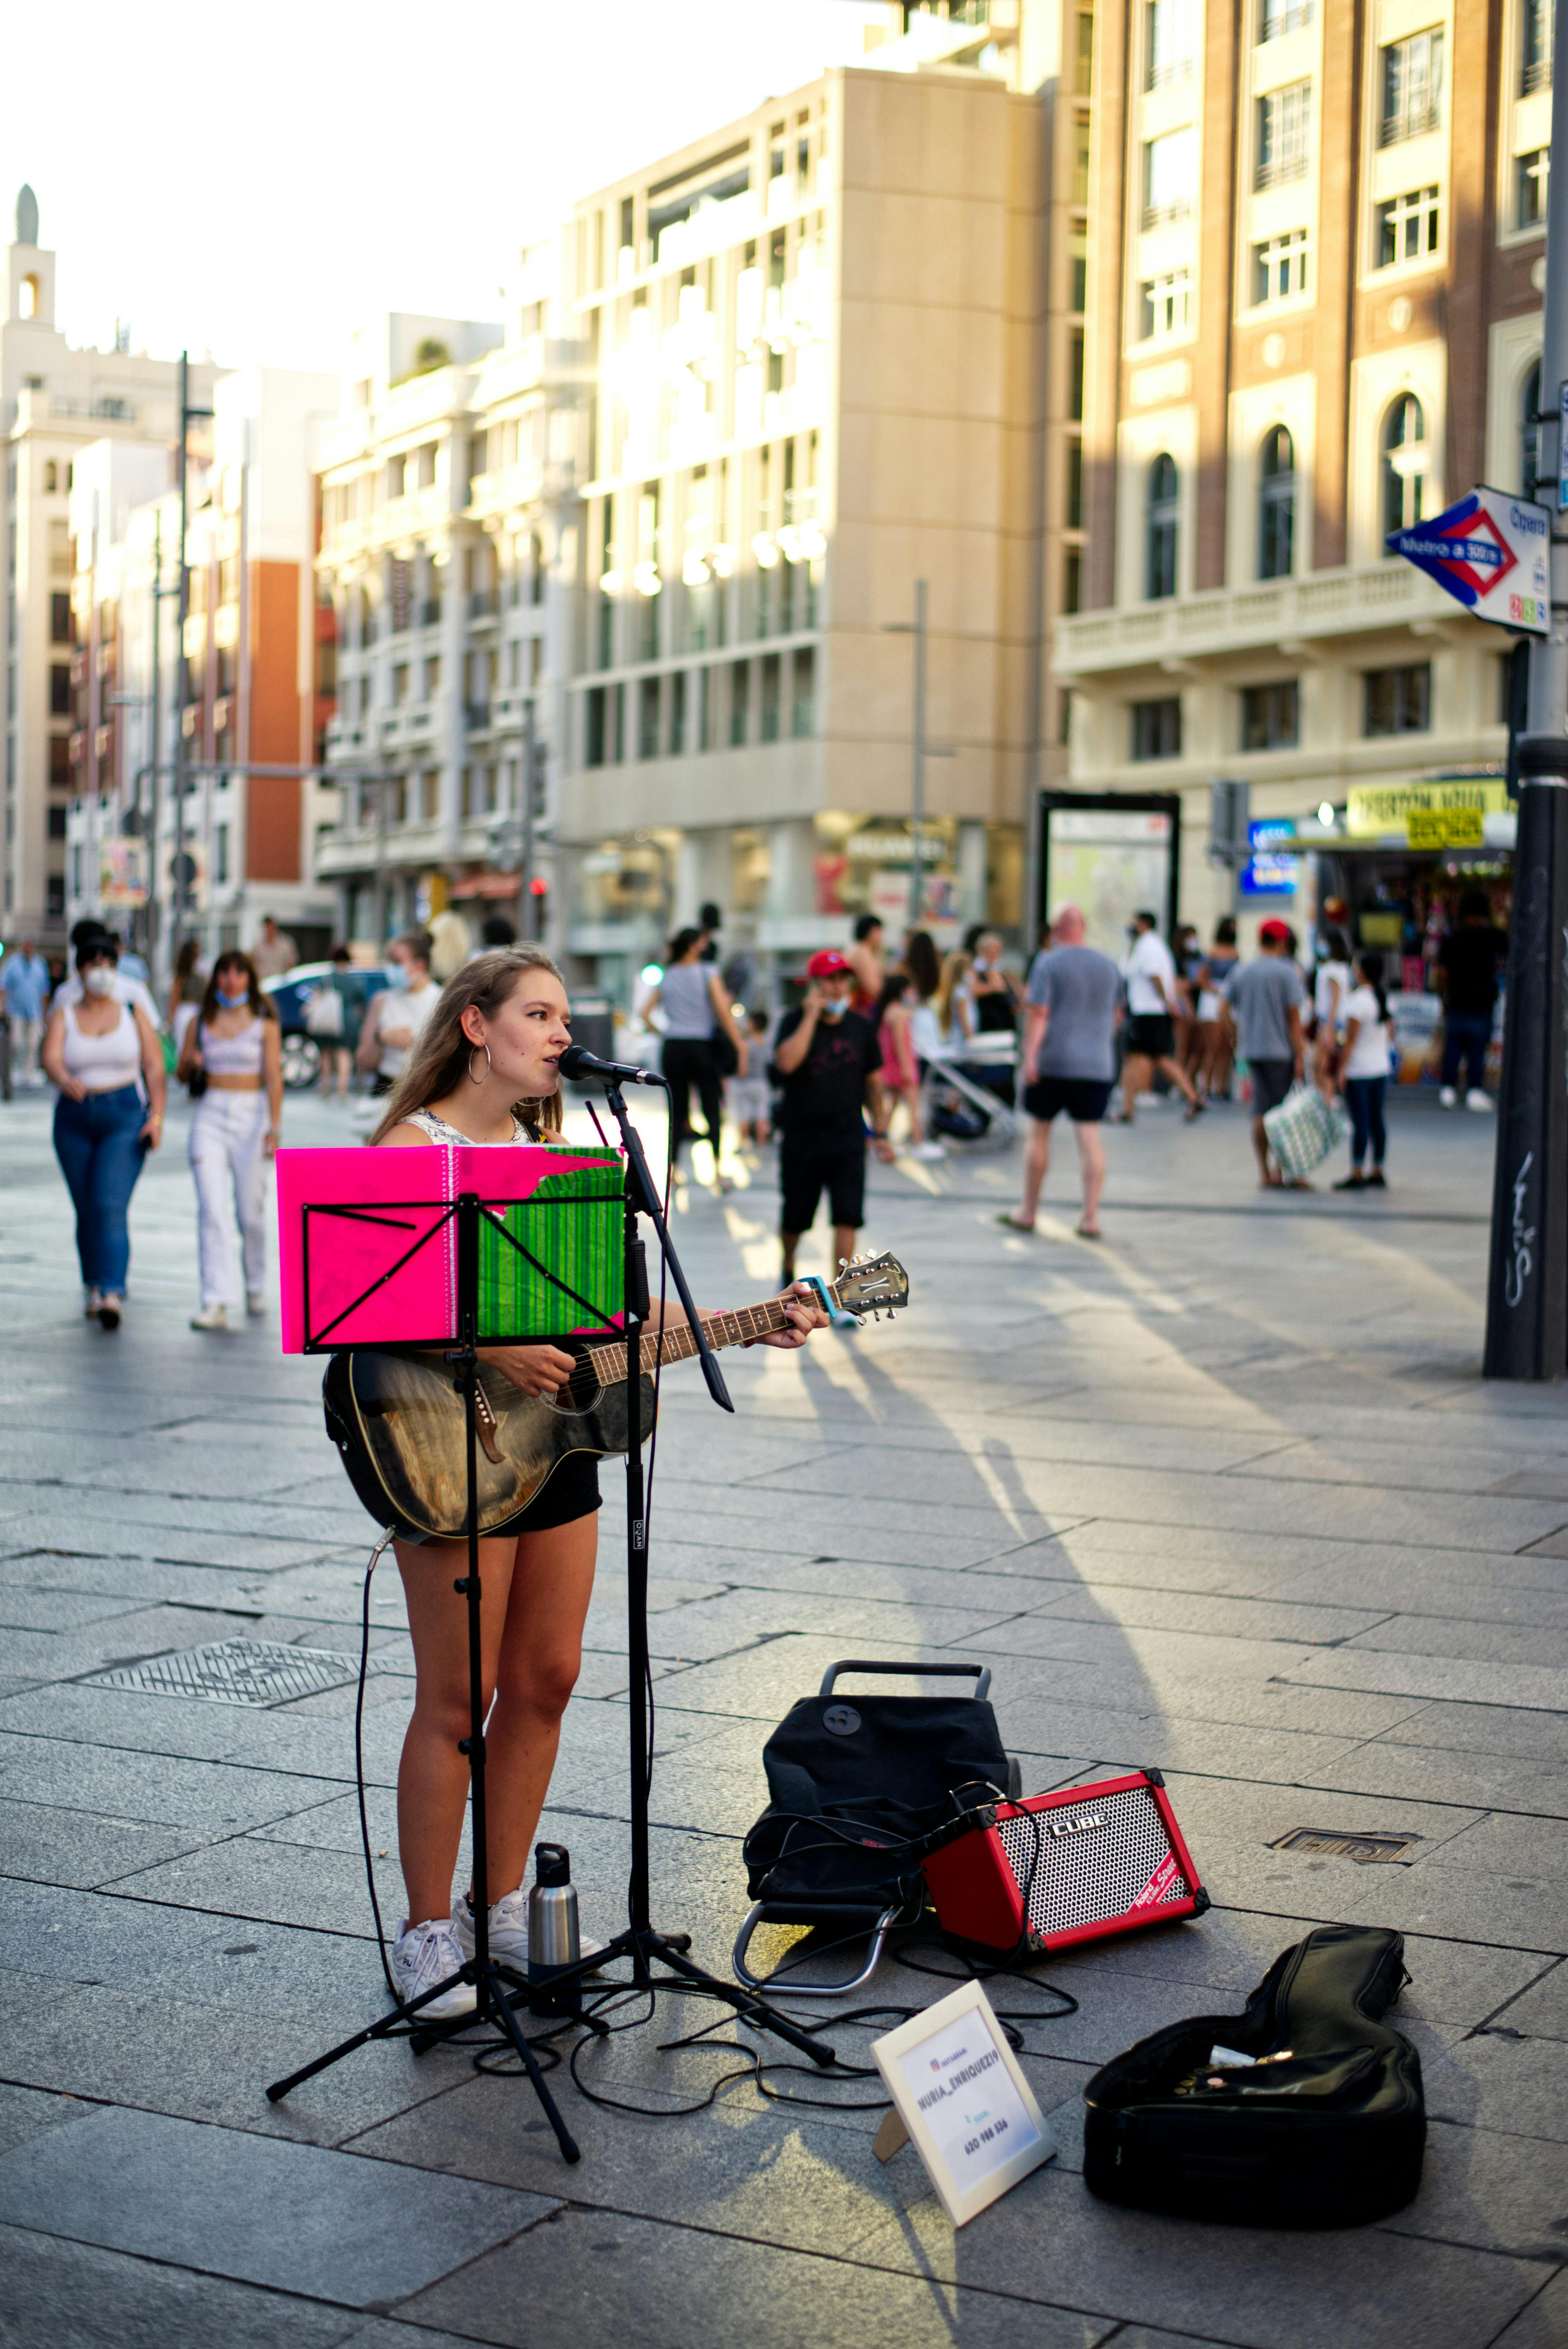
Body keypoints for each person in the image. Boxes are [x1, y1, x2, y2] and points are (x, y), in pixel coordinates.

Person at [362, 946, 827, 2014]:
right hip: (443, 1443)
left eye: (565, 1016)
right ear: (475, 1026)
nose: (561, 1033)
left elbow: (608, 1329)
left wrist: (741, 1324)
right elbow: (368, 1307)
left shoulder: (561, 1146)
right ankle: (428, 1930)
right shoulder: (412, 1145)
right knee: (456, 1694)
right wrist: (484, 1352)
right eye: (538, 1013)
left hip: (553, 1449)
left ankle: (501, 1900)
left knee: (548, 1677)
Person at [40, 932, 166, 1329]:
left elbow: (155, 1065)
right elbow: (50, 1055)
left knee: (109, 1203)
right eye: (93, 964)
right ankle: (93, 1284)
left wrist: (157, 1118)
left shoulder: (131, 1008)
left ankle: (113, 1290)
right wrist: (63, 1078)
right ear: (80, 970)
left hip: (124, 1115)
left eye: (108, 964)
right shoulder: (65, 1010)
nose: (101, 972)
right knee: (86, 1207)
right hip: (75, 1118)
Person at [773, 948, 895, 1296]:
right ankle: (787, 1266)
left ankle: (841, 1294)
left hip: (848, 1139)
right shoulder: (794, 1021)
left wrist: (881, 1130)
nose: (839, 986)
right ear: (815, 984)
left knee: (847, 1216)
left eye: (844, 979)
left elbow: (874, 1082)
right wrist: (811, 1016)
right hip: (802, 1139)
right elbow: (786, 1064)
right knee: (795, 1218)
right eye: (830, 979)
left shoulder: (860, 1026)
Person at [998, 904, 1120, 1240]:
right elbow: (1117, 1014)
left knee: (1039, 1133)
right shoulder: (1108, 966)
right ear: (1084, 927)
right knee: (1090, 1139)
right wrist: (1098, 1044)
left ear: (1055, 930)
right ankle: (1090, 1218)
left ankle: (1029, 1211)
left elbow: (1038, 1013)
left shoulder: (1048, 963)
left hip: (1054, 1062)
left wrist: (1031, 1057)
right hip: (1096, 1065)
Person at [178, 950, 284, 1331]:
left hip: (251, 1115)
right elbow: (180, 1071)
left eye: (239, 972)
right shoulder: (201, 1020)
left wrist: (274, 1126)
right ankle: (215, 1298)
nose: (231, 979)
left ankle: (255, 1283)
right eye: (224, 972)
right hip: (211, 1113)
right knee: (211, 1209)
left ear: (249, 978)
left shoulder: (264, 1024)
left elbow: (274, 1077)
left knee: (249, 1213)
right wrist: (190, 1061)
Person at [643, 925, 748, 1189]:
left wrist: (666, 1033)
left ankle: (673, 1171)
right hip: (702, 1047)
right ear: (693, 946)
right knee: (711, 1109)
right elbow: (724, 1014)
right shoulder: (707, 972)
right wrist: (741, 1046)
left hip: (674, 1047)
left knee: (677, 1112)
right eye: (701, 943)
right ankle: (717, 1171)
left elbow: (645, 1013)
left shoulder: (667, 974)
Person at [1222, 918, 1308, 1188]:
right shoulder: (1287, 972)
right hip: (1281, 1052)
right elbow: (1294, 1018)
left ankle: (1263, 1172)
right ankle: (1280, 1170)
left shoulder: (1243, 970)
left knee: (1260, 1110)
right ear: (1282, 942)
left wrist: (1235, 1036)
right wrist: (1301, 1055)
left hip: (1252, 1050)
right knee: (1283, 1113)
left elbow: (1222, 1008)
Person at [1118, 912, 1203, 1122]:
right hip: (1149, 1011)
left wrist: (1168, 1003)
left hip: (1148, 1011)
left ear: (1144, 924)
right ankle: (1192, 1097)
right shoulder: (1145, 945)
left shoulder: (1149, 946)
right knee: (1159, 1058)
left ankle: (1128, 1109)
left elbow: (1154, 976)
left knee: (1135, 1057)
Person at [1437, 890, 1505, 1111]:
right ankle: (1474, 1089)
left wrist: (1443, 998)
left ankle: (1448, 1088)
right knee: (1478, 1048)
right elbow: (1507, 944)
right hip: (1482, 1001)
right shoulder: (1490, 937)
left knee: (1453, 1047)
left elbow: (1442, 974)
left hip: (1456, 1000)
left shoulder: (1452, 939)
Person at [357, 931, 443, 1097]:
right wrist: (381, 1037)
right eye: (389, 961)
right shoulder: (383, 1000)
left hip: (425, 1091)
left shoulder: (442, 1000)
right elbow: (363, 1060)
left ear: (419, 965)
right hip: (386, 1088)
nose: (391, 968)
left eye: (397, 962)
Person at [1334, 951, 1393, 1192]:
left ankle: (1357, 1170)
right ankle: (1377, 1169)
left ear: (1362, 971)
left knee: (1361, 1122)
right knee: (1377, 1120)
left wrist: (1342, 1069)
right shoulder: (1383, 999)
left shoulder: (1358, 1001)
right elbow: (1390, 1032)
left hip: (1360, 1070)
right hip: (1380, 1067)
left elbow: (1350, 1040)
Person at [876, 971, 942, 1160]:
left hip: (894, 1065)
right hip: (902, 1066)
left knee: (893, 1106)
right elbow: (900, 1043)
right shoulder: (898, 1013)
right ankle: (918, 1143)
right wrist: (906, 1068)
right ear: (903, 990)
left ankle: (880, 1140)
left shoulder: (890, 1010)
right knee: (913, 1106)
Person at [59, 923, 161, 1029]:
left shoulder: (134, 991)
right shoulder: (66, 994)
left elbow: (154, 1030)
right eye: (94, 964)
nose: (101, 972)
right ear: (80, 967)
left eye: (105, 962)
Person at [1193, 918, 1239, 1101]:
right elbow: (1201, 979)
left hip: (1229, 1002)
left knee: (1228, 1046)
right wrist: (1219, 991)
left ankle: (1221, 1087)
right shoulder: (1210, 953)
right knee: (1213, 1046)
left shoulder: (1236, 954)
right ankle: (1205, 1086)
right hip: (1212, 1001)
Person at [0, 937, 52, 1085]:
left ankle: (28, 1072)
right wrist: (2, 1007)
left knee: (33, 1043)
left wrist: (46, 1011)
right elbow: (4, 987)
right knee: (16, 1042)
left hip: (35, 1011)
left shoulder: (40, 964)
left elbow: (45, 990)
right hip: (16, 1010)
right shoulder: (12, 963)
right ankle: (15, 1070)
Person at [312, 944, 360, 1100]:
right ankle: (342, 1091)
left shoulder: (326, 979)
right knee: (344, 1054)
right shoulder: (353, 981)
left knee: (326, 1054)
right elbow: (361, 1002)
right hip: (348, 1020)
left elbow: (317, 998)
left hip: (329, 1021)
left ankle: (326, 1088)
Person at [1311, 926, 1351, 1099]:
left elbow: (1334, 999)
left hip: (1331, 1022)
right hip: (1333, 1021)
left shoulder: (1332, 969)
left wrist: (1329, 1026)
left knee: (1321, 1065)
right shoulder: (1341, 968)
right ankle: (1327, 1098)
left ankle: (1327, 1100)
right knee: (1324, 1064)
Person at [727, 1007, 775, 1148]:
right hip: (763, 1083)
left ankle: (743, 1144)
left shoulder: (746, 1044)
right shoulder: (767, 1043)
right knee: (762, 1115)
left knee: (744, 1114)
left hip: (747, 1083)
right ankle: (762, 1143)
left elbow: (743, 1069)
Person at [969, 930, 1020, 1037]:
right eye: (989, 951)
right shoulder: (977, 970)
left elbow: (1015, 994)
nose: (993, 954)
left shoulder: (1003, 971)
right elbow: (973, 991)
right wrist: (994, 988)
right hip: (987, 1022)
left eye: (996, 951)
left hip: (1005, 1023)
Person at [167, 938, 206, 1063]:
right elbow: (175, 1000)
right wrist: (169, 1023)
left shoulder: (203, 976)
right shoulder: (181, 976)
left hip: (198, 1012)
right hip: (184, 1014)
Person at [846, 913, 885, 1024]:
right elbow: (873, 989)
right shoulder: (862, 952)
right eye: (879, 931)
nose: (882, 936)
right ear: (872, 932)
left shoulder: (858, 949)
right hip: (860, 1010)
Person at [933, 949, 974, 1053]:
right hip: (961, 1038)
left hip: (954, 1035)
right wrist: (970, 1037)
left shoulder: (954, 989)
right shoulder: (961, 991)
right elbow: (963, 1017)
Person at [249, 914, 298, 982]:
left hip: (280, 984)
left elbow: (291, 964)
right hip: (262, 983)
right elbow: (252, 964)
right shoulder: (258, 946)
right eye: (267, 926)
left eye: (270, 926)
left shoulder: (286, 945)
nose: (269, 929)